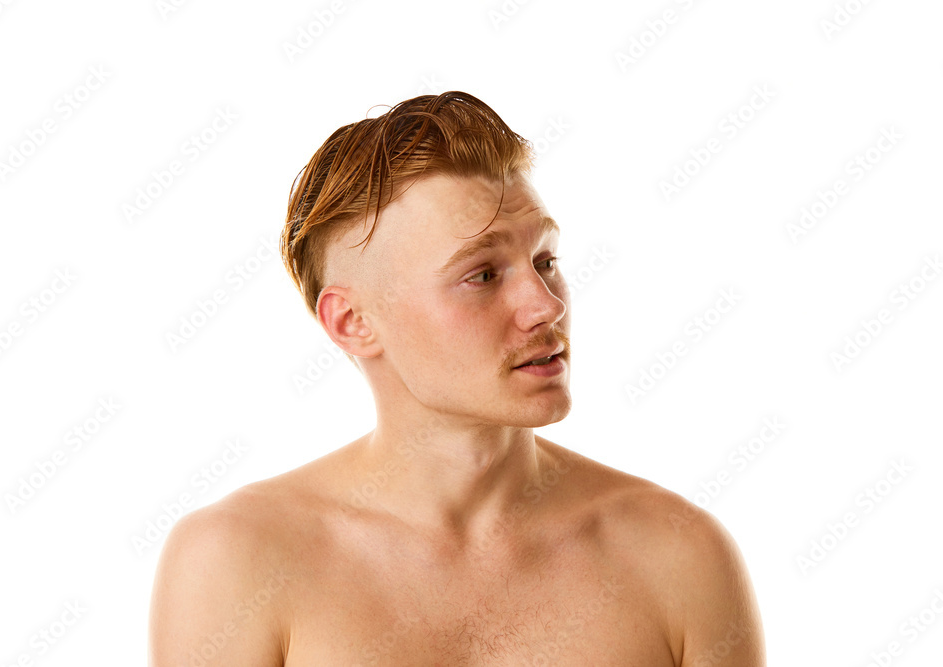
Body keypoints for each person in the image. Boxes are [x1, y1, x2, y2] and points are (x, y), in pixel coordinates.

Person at [148, 91, 766, 666]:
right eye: (483, 275)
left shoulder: (677, 558)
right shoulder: (236, 562)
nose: (546, 305)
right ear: (353, 322)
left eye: (545, 260)